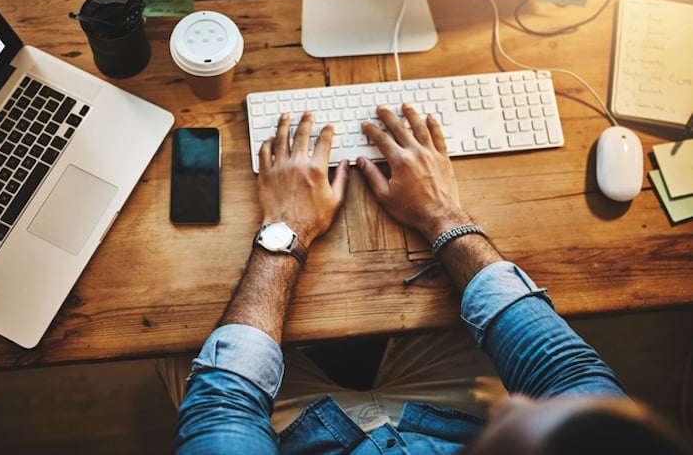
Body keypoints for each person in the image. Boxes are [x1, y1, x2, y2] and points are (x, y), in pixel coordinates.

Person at [164, 104, 691, 454]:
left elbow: (222, 403)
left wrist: (287, 232)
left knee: (178, 354)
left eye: (523, 419)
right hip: (446, 418)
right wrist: (442, 215)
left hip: (304, 437)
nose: (510, 399)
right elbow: (565, 374)